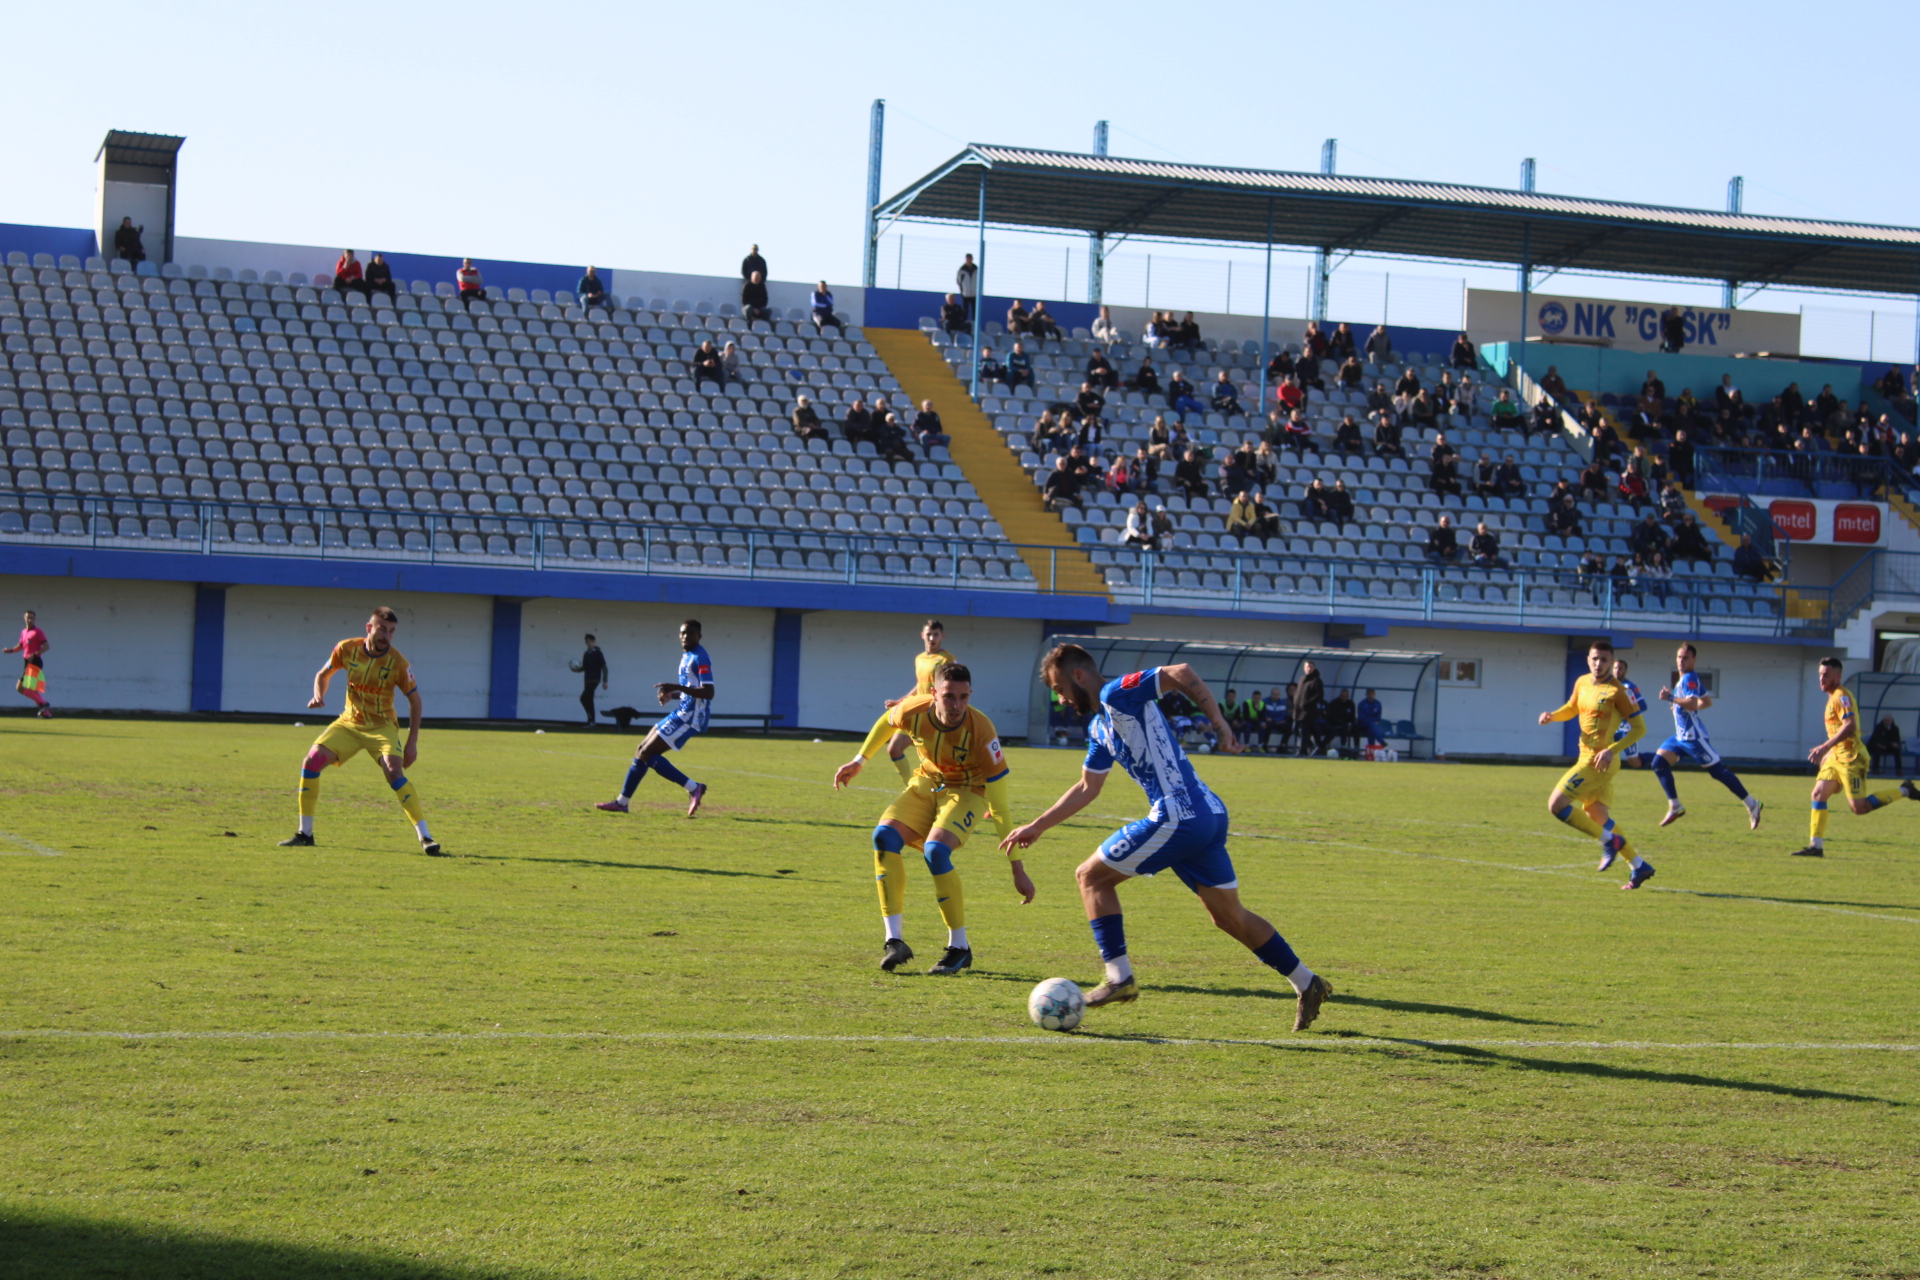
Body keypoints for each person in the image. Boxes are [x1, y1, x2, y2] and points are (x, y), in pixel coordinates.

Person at [1001, 645, 1333, 1025]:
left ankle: (1119, 977)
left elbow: (1182, 672)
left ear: (1078, 676)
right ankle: (1308, 983)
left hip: (1180, 812)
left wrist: (1221, 725)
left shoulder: (1117, 693)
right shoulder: (1097, 727)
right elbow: (1086, 788)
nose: (1060, 699)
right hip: (1207, 812)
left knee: (1090, 877)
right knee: (1229, 916)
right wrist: (1037, 826)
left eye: (1059, 687)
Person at [837, 661, 1030, 975]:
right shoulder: (914, 709)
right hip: (926, 783)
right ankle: (895, 941)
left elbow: (1000, 807)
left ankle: (960, 947)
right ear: (934, 693)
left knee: (936, 850)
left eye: (964, 697)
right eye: (949, 696)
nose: (957, 705)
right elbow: (887, 721)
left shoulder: (982, 731)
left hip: (968, 791)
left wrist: (1017, 869)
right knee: (883, 837)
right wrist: (860, 760)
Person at [278, 606, 440, 855]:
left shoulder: (398, 662)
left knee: (393, 772)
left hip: (382, 726)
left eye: (392, 632)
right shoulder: (346, 648)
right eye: (382, 629)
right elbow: (324, 674)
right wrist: (318, 695)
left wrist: (412, 742)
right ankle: (304, 834)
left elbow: (415, 700)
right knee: (311, 762)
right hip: (349, 723)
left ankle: (426, 837)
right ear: (369, 628)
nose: (386, 636)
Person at [1537, 638, 1654, 889]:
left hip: (1598, 762)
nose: (1598, 663)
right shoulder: (1582, 682)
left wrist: (1612, 750)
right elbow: (1571, 708)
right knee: (1598, 816)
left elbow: (1639, 728)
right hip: (1586, 757)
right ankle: (1639, 866)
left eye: (1604, 660)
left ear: (1612, 663)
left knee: (1556, 805)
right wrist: (1553, 716)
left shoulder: (1618, 691)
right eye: (1594, 658)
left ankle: (1608, 842)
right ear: (1588, 659)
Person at [1791, 656, 1917, 857]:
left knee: (1860, 808)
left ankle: (1905, 790)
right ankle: (1816, 846)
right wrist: (1830, 752)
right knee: (1818, 794)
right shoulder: (1832, 697)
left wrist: (1825, 747)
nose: (1822, 679)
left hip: (1852, 757)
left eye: (1826, 675)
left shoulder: (1842, 696)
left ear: (1838, 676)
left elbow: (1850, 726)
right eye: (1820, 675)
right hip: (1836, 756)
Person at [595, 620, 712, 818]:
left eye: (690, 634)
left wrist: (677, 687)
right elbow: (689, 692)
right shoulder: (686, 657)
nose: (685, 637)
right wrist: (671, 694)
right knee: (642, 751)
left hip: (692, 717)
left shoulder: (701, 657)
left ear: (699, 636)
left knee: (648, 753)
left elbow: (709, 692)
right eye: (682, 633)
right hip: (682, 711)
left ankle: (694, 788)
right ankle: (622, 803)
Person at [1645, 643, 1764, 829]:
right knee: (1658, 763)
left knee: (1717, 772)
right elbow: (1706, 702)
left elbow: (1693, 703)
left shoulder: (1689, 678)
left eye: (1685, 657)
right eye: (1679, 657)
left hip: (1694, 739)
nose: (1681, 661)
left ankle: (1752, 804)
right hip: (1680, 738)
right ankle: (1675, 805)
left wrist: (1671, 698)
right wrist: (1679, 705)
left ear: (1694, 660)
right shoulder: (1684, 679)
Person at [875, 620, 956, 786]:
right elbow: (920, 686)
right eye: (929, 634)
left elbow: (955, 686)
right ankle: (910, 788)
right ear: (922, 635)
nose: (932, 638)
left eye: (936, 634)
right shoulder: (919, 658)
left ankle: (976, 792)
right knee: (894, 749)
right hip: (918, 714)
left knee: (941, 761)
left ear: (942, 636)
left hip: (936, 717)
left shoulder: (946, 659)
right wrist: (900, 702)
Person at [5, 609, 50, 718]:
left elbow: (46, 647)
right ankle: (46, 713)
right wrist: (10, 650)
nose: (29, 619)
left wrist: (35, 653)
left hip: (34, 662)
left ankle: (44, 704)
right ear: (24, 618)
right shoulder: (24, 632)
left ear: (35, 619)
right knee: (33, 691)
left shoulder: (38, 632)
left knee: (20, 687)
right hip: (27, 662)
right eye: (27, 617)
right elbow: (21, 646)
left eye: (31, 618)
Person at [568, 634, 610, 727]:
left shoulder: (598, 653)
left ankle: (591, 721)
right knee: (587, 699)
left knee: (584, 698)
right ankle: (591, 721)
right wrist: (576, 670)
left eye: (590, 641)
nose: (589, 643)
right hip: (587, 680)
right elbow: (585, 667)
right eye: (587, 642)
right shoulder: (586, 654)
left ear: (594, 642)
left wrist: (605, 681)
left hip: (595, 679)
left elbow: (604, 667)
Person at [1293, 659, 1325, 756]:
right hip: (1298, 710)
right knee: (1295, 729)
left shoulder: (1316, 680)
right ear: (1304, 668)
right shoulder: (1302, 679)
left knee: (1304, 730)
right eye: (1307, 667)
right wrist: (1296, 701)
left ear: (1314, 668)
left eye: (1311, 667)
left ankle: (1303, 751)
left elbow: (1319, 695)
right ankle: (1311, 745)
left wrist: (1307, 703)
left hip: (1308, 710)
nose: (1309, 669)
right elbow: (1298, 693)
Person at [955, 253, 977, 319]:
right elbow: (959, 281)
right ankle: (965, 324)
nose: (969, 260)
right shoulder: (962, 270)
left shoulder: (976, 269)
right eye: (968, 258)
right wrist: (963, 289)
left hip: (974, 294)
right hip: (965, 293)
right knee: (965, 311)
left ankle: (974, 324)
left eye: (970, 258)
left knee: (975, 311)